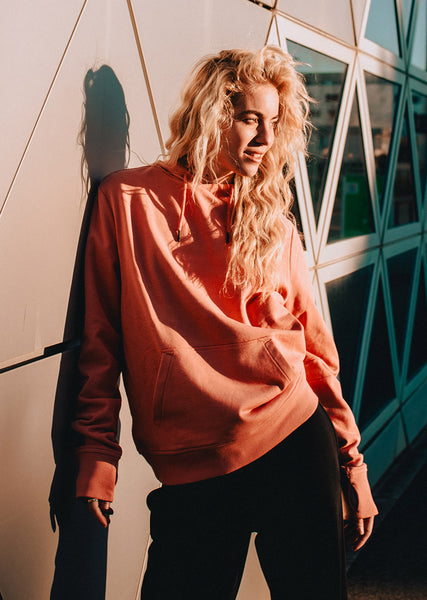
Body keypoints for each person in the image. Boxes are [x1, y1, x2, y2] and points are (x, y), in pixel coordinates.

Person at [73, 46, 378, 599]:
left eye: (274, 123)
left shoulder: (273, 223)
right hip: (192, 465)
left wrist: (352, 467)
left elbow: (314, 353)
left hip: (293, 439)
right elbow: (101, 340)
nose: (265, 138)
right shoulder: (128, 199)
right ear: (212, 114)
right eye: (249, 119)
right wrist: (97, 454)